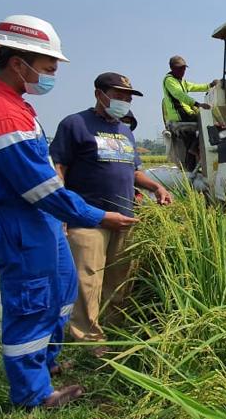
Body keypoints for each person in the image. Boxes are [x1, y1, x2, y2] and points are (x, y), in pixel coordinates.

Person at [0, 15, 137, 409]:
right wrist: (96, 216)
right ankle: (33, 395)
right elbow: (41, 186)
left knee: (59, 292)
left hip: (41, 219)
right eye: (48, 66)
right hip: (18, 220)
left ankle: (46, 363)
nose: (52, 74)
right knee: (31, 304)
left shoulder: (14, 105)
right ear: (18, 61)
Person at [51, 73, 173, 357]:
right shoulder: (75, 124)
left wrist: (156, 187)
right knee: (87, 283)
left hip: (124, 219)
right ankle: (89, 342)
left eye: (128, 97)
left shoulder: (125, 131)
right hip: (89, 219)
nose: (125, 101)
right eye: (118, 95)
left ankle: (114, 329)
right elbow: (59, 170)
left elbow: (133, 171)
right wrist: (61, 212)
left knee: (120, 280)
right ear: (99, 94)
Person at [161, 55, 214, 169]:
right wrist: (198, 104)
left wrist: (210, 85)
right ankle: (194, 154)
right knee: (208, 121)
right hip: (180, 115)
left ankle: (193, 163)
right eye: (180, 68)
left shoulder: (182, 81)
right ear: (172, 68)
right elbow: (179, 95)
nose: (183, 71)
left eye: (184, 68)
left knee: (190, 141)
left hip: (187, 113)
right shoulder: (169, 80)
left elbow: (195, 86)